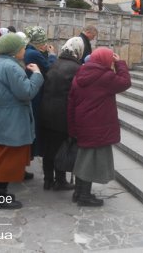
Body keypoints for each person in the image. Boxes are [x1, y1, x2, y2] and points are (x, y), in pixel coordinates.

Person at [0, 33, 44, 209]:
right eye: (22, 47)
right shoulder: (11, 67)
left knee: (1, 154)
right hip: (12, 118)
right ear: (14, 50)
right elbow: (26, 92)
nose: (24, 50)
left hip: (2, 116)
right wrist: (37, 74)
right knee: (9, 156)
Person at [68, 47, 131, 206]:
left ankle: (78, 192)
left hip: (82, 123)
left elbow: (71, 102)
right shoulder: (105, 77)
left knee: (84, 159)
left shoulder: (80, 72)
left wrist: (72, 126)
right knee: (91, 161)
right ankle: (84, 196)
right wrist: (120, 64)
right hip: (98, 125)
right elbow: (125, 82)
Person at [39, 37, 84, 192]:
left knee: (49, 148)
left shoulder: (55, 63)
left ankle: (47, 180)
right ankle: (60, 180)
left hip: (46, 111)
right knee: (60, 148)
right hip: (62, 114)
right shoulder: (77, 68)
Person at [23, 26, 58, 169]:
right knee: (34, 125)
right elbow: (50, 69)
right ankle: (31, 154)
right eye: (43, 41)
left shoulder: (30, 51)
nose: (45, 44)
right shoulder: (34, 54)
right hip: (36, 93)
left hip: (32, 90)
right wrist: (51, 55)